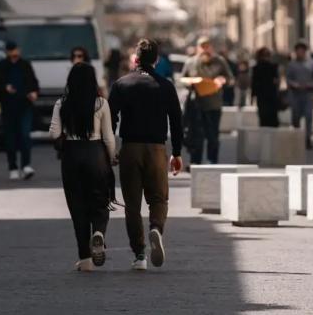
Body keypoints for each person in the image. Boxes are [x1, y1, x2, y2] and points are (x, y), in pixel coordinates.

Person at [108, 39, 183, 272]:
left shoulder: (122, 84)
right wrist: (177, 153)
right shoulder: (165, 85)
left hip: (130, 147)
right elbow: (177, 121)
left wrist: (111, 149)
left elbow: (110, 118)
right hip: (157, 149)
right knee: (159, 199)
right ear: (157, 60)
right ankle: (156, 229)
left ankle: (139, 255)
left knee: (132, 205)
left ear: (136, 58)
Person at [50, 63, 116, 272]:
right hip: (96, 153)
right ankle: (98, 232)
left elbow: (53, 133)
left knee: (77, 206)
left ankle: (85, 259)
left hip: (71, 155)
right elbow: (109, 137)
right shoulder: (100, 104)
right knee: (100, 201)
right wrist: (112, 157)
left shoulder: (61, 104)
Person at [180, 36, 234, 165]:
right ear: (198, 48)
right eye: (202, 46)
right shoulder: (190, 62)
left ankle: (212, 161)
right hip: (196, 104)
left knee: (212, 136)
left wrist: (222, 80)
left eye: (207, 46)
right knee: (195, 135)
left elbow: (230, 78)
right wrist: (191, 83)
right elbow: (182, 79)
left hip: (213, 104)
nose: (205, 49)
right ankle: (195, 162)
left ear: (211, 47)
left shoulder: (219, 61)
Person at [0, 42, 40, 180]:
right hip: (8, 107)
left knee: (25, 135)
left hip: (25, 105)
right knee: (10, 137)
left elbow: (33, 82)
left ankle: (26, 165)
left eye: (16, 50)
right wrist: (5, 88)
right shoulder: (1, 66)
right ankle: (12, 167)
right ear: (7, 52)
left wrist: (34, 92)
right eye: (11, 50)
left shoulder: (25, 65)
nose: (14, 53)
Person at [286, 42, 313, 150]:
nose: (300, 53)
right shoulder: (292, 65)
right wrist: (294, 84)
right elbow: (288, 78)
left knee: (308, 116)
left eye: (302, 51)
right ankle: (296, 138)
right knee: (295, 116)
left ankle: (307, 138)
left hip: (308, 94)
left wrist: (310, 85)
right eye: (298, 51)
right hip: (295, 94)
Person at [250, 48, 280, 127]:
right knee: (266, 118)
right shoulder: (257, 68)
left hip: (269, 96)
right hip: (264, 96)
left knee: (269, 117)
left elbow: (276, 82)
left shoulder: (272, 67)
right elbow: (254, 83)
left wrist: (252, 96)